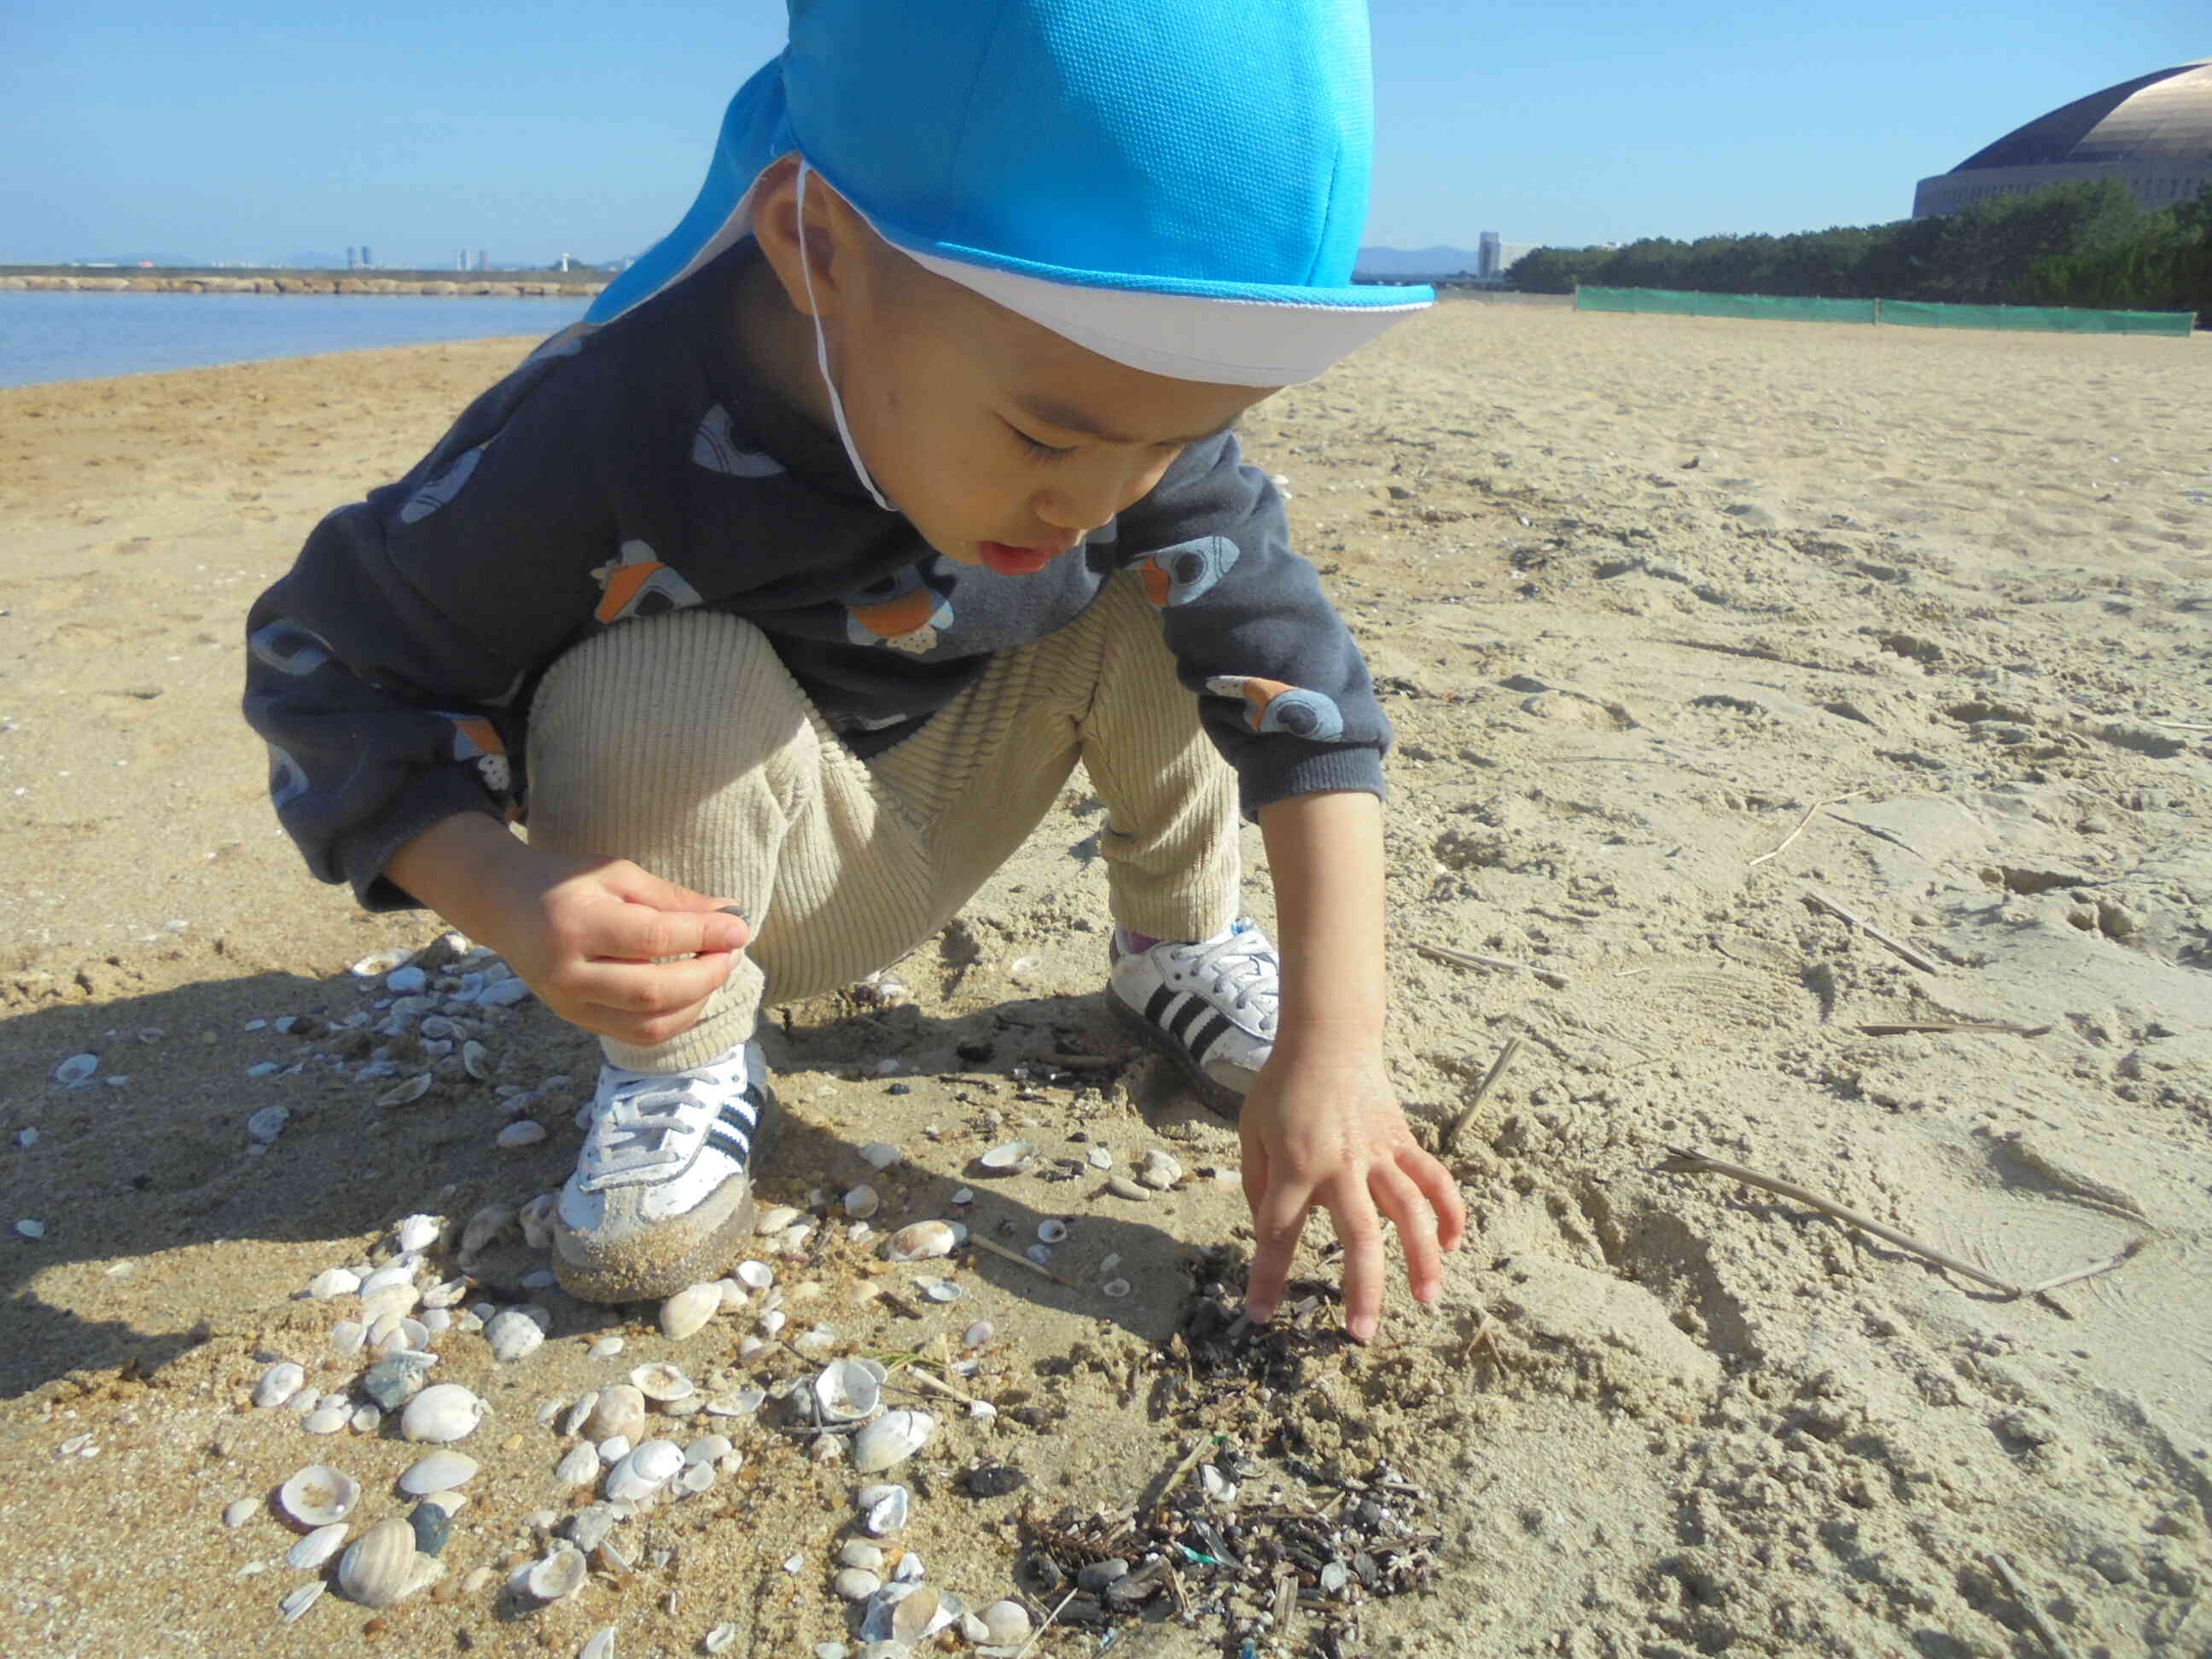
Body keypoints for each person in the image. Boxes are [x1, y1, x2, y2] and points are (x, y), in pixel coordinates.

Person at [242, 0, 1464, 1340]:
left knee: (1185, 584)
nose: (1092, 496)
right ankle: (680, 1071)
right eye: (1043, 432)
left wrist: (1336, 1050)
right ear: (817, 247)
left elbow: (1304, 694)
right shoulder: (604, 429)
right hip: (727, 895)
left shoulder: (1119, 425)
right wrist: (509, 893)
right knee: (648, 676)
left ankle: (1173, 945)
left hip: (962, 783)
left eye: (1172, 438)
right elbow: (326, 664)